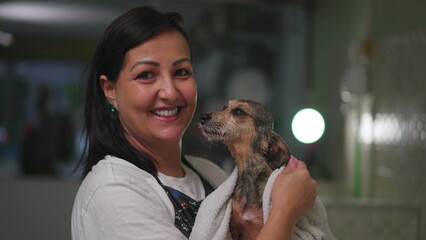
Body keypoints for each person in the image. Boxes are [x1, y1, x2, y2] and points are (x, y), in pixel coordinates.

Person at [71, 6, 317, 240]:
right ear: (110, 90)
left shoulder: (211, 176)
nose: (169, 92)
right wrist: (286, 211)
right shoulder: (113, 191)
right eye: (146, 75)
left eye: (181, 72)